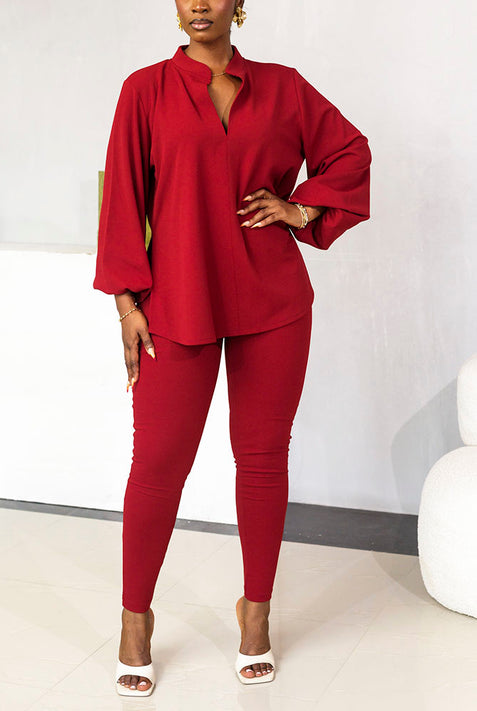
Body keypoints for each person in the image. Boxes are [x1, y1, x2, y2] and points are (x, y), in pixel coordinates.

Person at [93, 0, 371, 697]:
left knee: (262, 456)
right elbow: (122, 198)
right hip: (176, 299)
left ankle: (256, 612)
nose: (199, 4)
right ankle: (135, 619)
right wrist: (126, 303)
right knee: (158, 463)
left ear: (238, 4)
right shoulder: (144, 90)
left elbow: (350, 151)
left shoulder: (283, 86)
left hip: (272, 302)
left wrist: (300, 208)